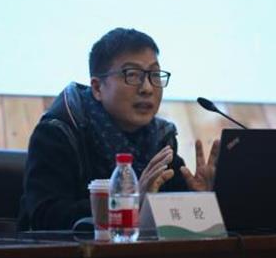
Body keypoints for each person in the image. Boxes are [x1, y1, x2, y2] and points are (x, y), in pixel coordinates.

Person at [18, 28, 219, 230]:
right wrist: (128, 201)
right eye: (132, 75)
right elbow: (45, 217)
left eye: (155, 75)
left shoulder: (160, 139)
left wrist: (200, 199)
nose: (147, 88)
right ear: (97, 88)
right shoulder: (59, 133)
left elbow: (173, 220)